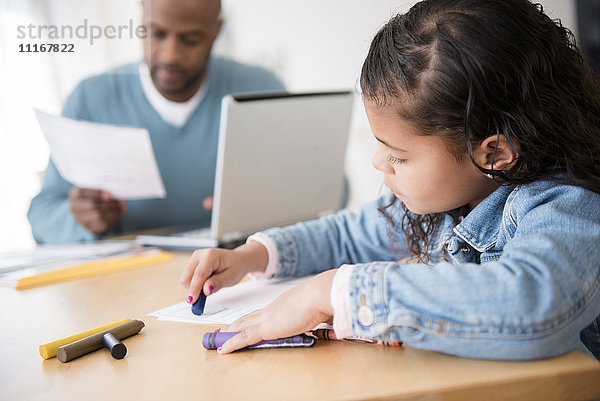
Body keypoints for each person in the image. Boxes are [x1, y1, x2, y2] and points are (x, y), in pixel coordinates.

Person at [180, 0, 600, 360]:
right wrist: (251, 257)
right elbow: (348, 234)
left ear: (495, 153)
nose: (380, 163)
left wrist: (329, 292)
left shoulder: (565, 204)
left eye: (398, 154)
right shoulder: (455, 196)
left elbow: (536, 304)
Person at [27, 0, 284, 243]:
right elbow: (42, 215)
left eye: (190, 39)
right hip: (127, 277)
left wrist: (266, 207)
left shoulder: (261, 91)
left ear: (216, 31)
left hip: (236, 272)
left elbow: (306, 198)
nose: (170, 55)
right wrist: (79, 219)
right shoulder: (91, 99)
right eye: (157, 33)